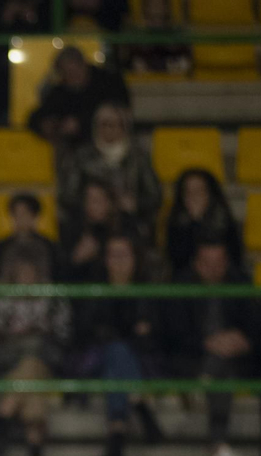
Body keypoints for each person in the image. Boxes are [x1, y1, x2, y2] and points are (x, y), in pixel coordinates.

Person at [163, 238, 260, 456]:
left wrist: (243, 341)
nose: (213, 269)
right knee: (222, 368)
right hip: (193, 357)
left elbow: (256, 325)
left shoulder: (240, 283)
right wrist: (207, 343)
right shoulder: (182, 285)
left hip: (236, 358)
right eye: (206, 263)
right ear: (196, 263)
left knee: (223, 364)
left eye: (218, 263)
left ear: (226, 263)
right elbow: (174, 333)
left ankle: (218, 448)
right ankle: (218, 449)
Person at [73, 232, 162, 456]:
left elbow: (155, 334)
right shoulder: (95, 289)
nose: (119, 261)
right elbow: (86, 329)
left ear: (135, 259)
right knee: (117, 351)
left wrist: (126, 335)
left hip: (137, 360)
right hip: (98, 359)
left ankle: (116, 444)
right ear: (105, 260)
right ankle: (139, 404)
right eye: (114, 255)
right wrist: (130, 332)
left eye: (124, 255)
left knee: (117, 359)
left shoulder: (146, 291)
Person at [0, 249, 70, 456]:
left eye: (31, 271)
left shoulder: (52, 294)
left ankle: (1, 420)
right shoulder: (0, 293)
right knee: (32, 376)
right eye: (22, 272)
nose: (27, 277)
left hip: (44, 355)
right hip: (9, 356)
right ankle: (34, 453)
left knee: (32, 361)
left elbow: (63, 332)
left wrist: (37, 333)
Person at [59, 102, 161, 244]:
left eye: (114, 124)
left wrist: (136, 204)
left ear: (124, 127)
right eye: (104, 124)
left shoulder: (138, 158)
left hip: (130, 224)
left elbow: (154, 196)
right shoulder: (81, 157)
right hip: (91, 227)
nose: (108, 129)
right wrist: (91, 205)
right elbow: (68, 196)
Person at [26, 46, 130, 152]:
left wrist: (81, 123)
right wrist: (47, 124)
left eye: (74, 71)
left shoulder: (109, 82)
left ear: (83, 64)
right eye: (67, 73)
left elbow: (121, 113)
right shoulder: (61, 91)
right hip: (75, 150)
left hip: (113, 146)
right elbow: (37, 116)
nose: (72, 76)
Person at [165, 168, 242, 279]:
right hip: (187, 282)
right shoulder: (177, 223)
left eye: (199, 191)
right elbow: (177, 261)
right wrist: (193, 223)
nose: (194, 197)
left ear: (210, 193)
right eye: (188, 192)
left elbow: (236, 258)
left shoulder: (224, 220)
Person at [60, 177, 126, 281]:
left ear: (110, 203)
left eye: (97, 200)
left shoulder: (123, 227)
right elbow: (60, 275)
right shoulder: (73, 230)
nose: (91, 205)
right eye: (88, 199)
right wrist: (76, 259)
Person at [0, 193, 59, 282]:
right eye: (15, 214)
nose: (20, 218)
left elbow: (59, 280)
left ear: (35, 216)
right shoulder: (2, 247)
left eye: (24, 214)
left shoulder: (48, 246)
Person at [119, 0, 191, 77]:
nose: (156, 7)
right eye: (152, 4)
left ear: (166, 7)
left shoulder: (175, 32)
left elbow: (184, 57)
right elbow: (130, 59)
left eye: (160, 4)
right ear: (145, 7)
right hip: (144, 76)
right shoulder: (137, 33)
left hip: (173, 74)